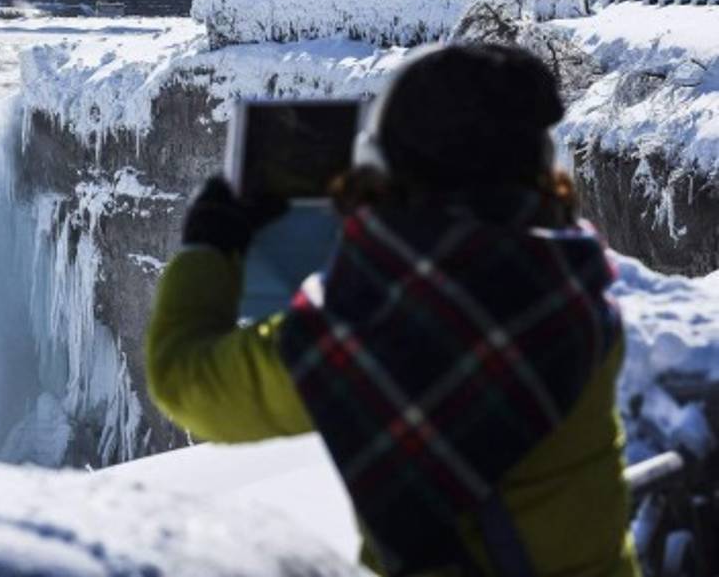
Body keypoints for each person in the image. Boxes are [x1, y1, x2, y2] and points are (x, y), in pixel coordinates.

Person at [146, 44, 638, 577]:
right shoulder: (574, 284)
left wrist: (209, 247)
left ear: (387, 169)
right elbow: (472, 276)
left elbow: (184, 380)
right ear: (542, 166)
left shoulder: (369, 333)